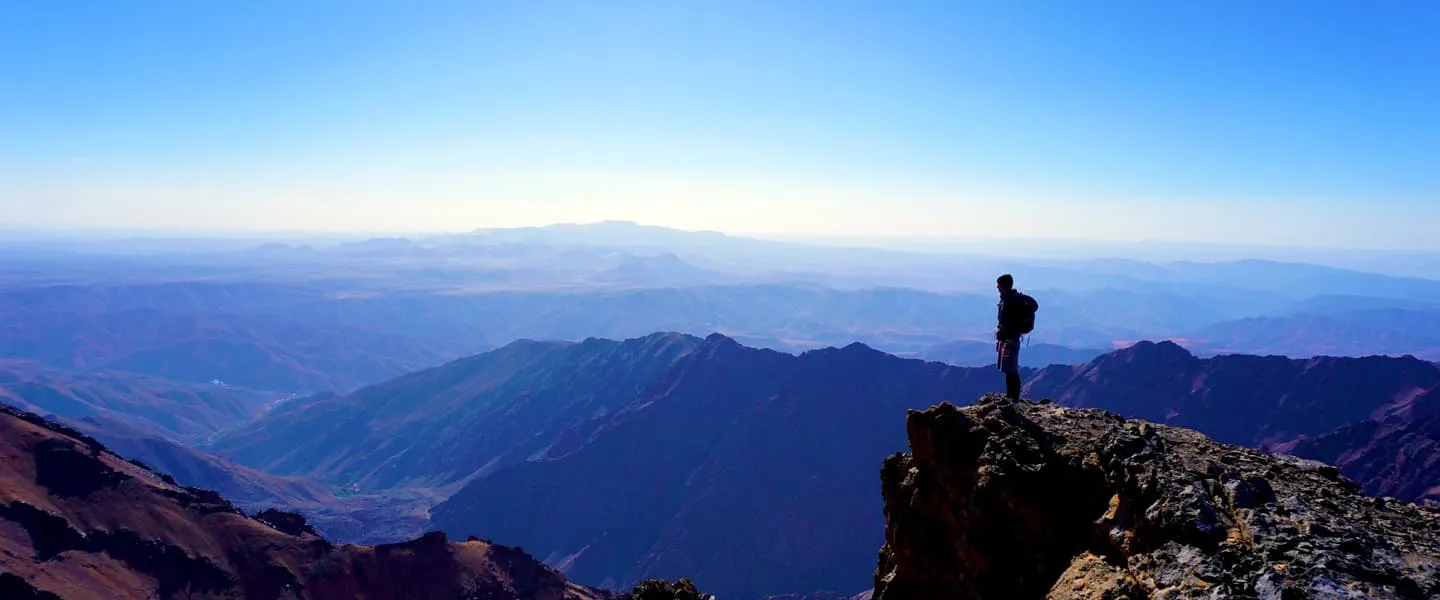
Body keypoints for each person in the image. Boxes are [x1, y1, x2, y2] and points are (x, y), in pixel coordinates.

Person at [995, 273, 1036, 401]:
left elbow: (1008, 321)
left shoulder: (1011, 300)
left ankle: (1014, 399)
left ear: (1003, 286)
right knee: (1008, 369)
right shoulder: (1009, 298)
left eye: (998, 285)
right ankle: (1011, 397)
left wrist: (1006, 332)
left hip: (1010, 339)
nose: (997, 287)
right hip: (1008, 338)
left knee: (1011, 369)